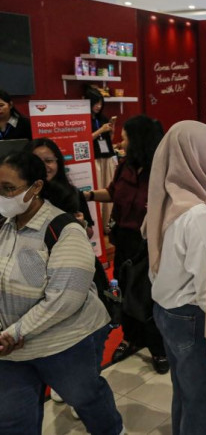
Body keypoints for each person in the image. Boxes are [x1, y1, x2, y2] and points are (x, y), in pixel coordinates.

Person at [0, 151, 122, 435]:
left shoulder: (64, 230)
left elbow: (64, 299)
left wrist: (15, 333)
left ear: (37, 187)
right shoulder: (6, 225)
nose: (3, 196)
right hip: (11, 350)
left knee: (86, 398)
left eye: (9, 189)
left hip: (63, 344)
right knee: (11, 419)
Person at [145, 120, 206, 435]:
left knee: (185, 392)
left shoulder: (166, 198)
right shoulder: (196, 215)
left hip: (166, 311)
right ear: (193, 156)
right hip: (194, 318)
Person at [85, 114, 168, 373]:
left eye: (124, 138)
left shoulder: (162, 172)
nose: (120, 143)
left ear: (139, 140)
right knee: (119, 291)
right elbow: (112, 192)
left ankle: (158, 347)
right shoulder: (124, 166)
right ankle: (130, 337)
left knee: (149, 296)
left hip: (150, 244)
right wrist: (86, 195)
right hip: (123, 240)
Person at [88, 88, 117, 232]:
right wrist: (100, 130)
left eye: (100, 103)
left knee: (109, 188)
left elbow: (109, 140)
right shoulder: (84, 119)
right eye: (95, 103)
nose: (98, 106)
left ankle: (107, 224)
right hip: (95, 158)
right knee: (98, 188)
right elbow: (85, 139)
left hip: (107, 156)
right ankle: (97, 225)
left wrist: (111, 130)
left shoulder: (103, 119)